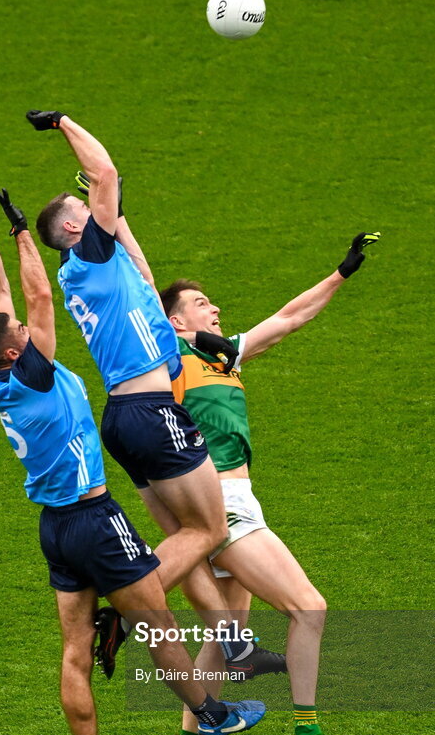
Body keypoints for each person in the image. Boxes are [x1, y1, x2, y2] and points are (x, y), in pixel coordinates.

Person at [0, 180, 265, 735]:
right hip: (94, 517)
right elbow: (36, 296)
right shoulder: (34, 368)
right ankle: (209, 714)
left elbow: (0, 302)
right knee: (156, 618)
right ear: (17, 351)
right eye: (21, 332)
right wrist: (21, 229)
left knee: (74, 653)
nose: (27, 324)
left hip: (54, 531)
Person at [26, 109, 281, 675]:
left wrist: (119, 218)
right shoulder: (88, 255)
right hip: (150, 411)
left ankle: (232, 644)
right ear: (73, 230)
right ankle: (128, 607)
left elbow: (141, 269)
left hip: (124, 415)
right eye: (84, 212)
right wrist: (64, 123)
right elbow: (107, 171)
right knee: (209, 529)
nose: (94, 212)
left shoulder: (93, 268)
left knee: (184, 533)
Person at [154, 231, 380, 735]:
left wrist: (341, 273)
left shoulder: (220, 353)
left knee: (222, 639)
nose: (216, 308)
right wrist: (111, 216)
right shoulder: (166, 361)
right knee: (309, 608)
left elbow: (287, 319)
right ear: (174, 320)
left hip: (237, 498)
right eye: (202, 303)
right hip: (219, 503)